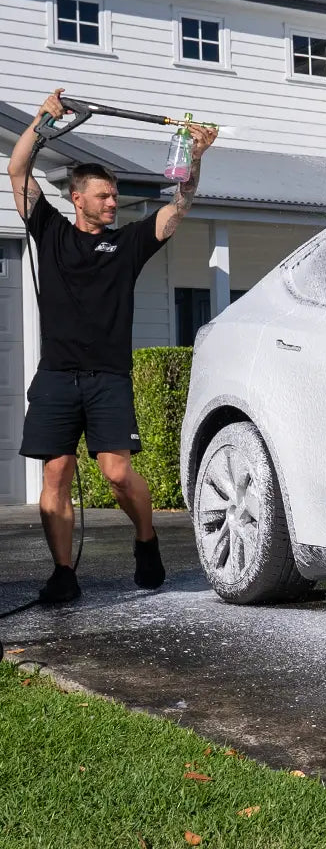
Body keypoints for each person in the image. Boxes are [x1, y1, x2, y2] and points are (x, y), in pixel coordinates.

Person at [6, 88, 218, 603]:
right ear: (77, 198)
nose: (112, 202)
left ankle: (146, 540)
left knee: (117, 472)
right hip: (57, 375)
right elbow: (17, 172)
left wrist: (193, 159)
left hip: (107, 377)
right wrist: (40, 121)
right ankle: (62, 573)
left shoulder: (127, 245)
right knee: (55, 472)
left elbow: (177, 210)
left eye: (114, 194)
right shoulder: (50, 232)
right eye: (103, 195)